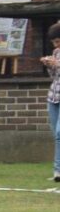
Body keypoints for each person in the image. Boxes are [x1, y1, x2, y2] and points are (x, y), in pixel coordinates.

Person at [41, 21, 60, 183]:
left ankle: (57, 170)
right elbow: (54, 77)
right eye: (54, 42)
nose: (56, 45)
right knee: (56, 134)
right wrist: (49, 65)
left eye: (58, 41)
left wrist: (58, 64)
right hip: (54, 96)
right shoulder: (56, 53)